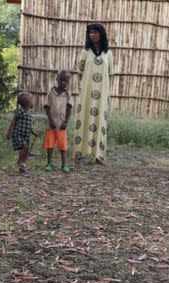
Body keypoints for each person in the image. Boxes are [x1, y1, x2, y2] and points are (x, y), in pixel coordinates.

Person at [73, 22, 113, 166]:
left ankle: (99, 156)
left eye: (95, 32)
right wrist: (86, 87)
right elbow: (80, 71)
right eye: (90, 32)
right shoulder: (86, 52)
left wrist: (106, 93)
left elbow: (110, 74)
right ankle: (80, 155)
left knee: (100, 122)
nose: (92, 35)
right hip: (87, 94)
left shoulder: (108, 54)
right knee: (83, 120)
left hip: (102, 95)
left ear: (101, 34)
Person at [43, 70, 73, 173]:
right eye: (62, 80)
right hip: (51, 125)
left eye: (66, 81)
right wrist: (50, 120)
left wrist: (66, 122)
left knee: (63, 145)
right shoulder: (51, 93)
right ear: (57, 80)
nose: (64, 83)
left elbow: (69, 108)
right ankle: (49, 164)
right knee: (50, 145)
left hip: (62, 125)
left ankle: (64, 164)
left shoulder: (68, 94)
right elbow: (46, 107)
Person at [7, 92, 39, 174]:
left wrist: (34, 132)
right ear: (27, 103)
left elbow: (29, 125)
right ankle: (20, 162)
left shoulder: (29, 114)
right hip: (18, 134)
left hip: (25, 136)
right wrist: (9, 132)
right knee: (24, 147)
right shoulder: (20, 111)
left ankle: (22, 167)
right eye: (32, 101)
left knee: (27, 150)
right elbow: (13, 121)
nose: (33, 102)